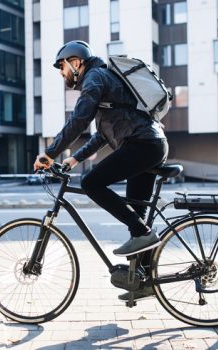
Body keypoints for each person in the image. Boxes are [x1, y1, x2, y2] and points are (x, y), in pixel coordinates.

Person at [33, 41, 169, 299]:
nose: (62, 73)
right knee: (137, 217)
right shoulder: (103, 79)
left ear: (76, 62)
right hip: (150, 144)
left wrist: (49, 153)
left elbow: (79, 119)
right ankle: (144, 283)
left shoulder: (94, 78)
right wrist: (74, 158)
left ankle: (143, 235)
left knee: (91, 183)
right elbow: (103, 134)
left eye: (62, 67)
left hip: (143, 145)